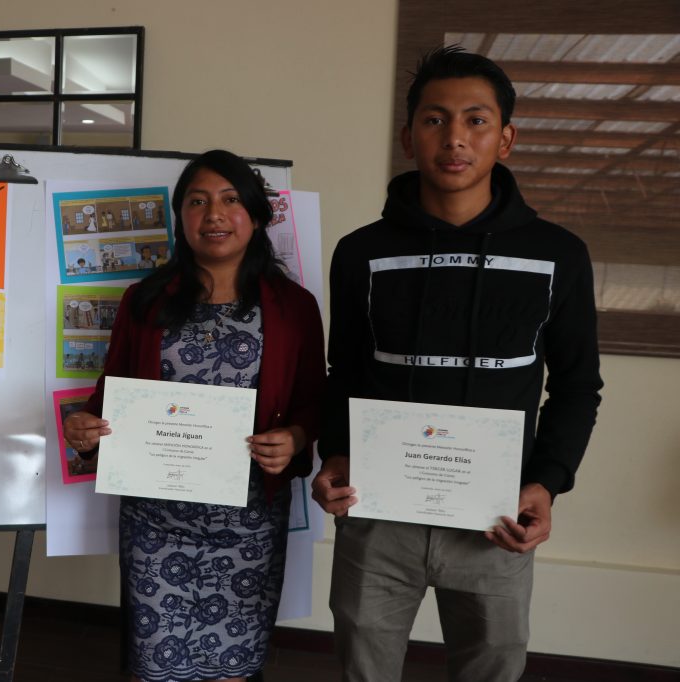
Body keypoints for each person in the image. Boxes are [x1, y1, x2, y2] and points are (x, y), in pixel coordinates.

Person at [311, 46, 603, 682]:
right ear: (408, 136)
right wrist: (333, 453)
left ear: (506, 138)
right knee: (362, 668)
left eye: (476, 120)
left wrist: (546, 483)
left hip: (496, 519)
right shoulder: (361, 252)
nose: (455, 138)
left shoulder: (559, 254)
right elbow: (344, 372)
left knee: (491, 668)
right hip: (379, 513)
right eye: (435, 119)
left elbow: (578, 385)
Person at [64, 149, 325, 682]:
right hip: (155, 522)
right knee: (157, 666)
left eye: (230, 200)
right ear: (180, 217)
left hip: (250, 522)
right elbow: (111, 393)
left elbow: (312, 401)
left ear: (256, 215)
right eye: (198, 202)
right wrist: (85, 431)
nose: (214, 215)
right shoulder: (143, 300)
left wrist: (296, 438)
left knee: (232, 667)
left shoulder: (294, 307)